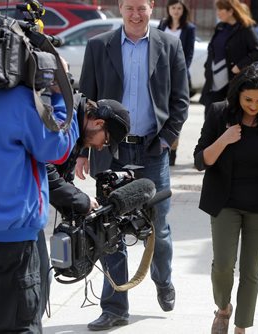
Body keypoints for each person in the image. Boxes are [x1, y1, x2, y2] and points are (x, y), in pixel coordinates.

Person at [75, 0, 189, 330]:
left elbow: (180, 100)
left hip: (152, 152)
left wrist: (166, 140)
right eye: (129, 8)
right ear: (121, 9)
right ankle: (114, 308)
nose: (136, 15)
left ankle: (163, 279)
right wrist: (83, 149)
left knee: (159, 229)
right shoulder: (99, 46)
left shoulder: (169, 45)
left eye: (141, 7)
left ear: (152, 7)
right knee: (109, 229)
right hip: (111, 152)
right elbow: (86, 102)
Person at [0, 7, 80, 333]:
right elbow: (58, 149)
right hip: (10, 232)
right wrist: (62, 95)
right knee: (18, 323)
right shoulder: (20, 104)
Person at [194, 62, 258, 334]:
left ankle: (241, 327)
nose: (254, 105)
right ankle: (223, 308)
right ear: (238, 94)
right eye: (248, 99)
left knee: (251, 270)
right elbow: (201, 160)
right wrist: (225, 139)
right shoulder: (219, 113)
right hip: (225, 202)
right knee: (223, 265)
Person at [199, 0, 258, 118]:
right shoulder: (220, 27)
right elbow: (213, 49)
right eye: (217, 9)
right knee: (210, 119)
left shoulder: (245, 28)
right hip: (213, 81)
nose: (217, 13)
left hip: (232, 82)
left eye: (220, 10)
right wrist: (207, 67)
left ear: (230, 11)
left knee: (229, 119)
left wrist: (239, 66)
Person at [157, 0, 196, 166]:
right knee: (160, 112)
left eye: (179, 8)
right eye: (173, 8)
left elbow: (188, 54)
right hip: (160, 75)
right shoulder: (162, 24)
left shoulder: (189, 28)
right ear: (168, 9)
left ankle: (172, 150)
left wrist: (180, 74)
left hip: (177, 75)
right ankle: (160, 147)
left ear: (183, 10)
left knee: (175, 113)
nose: (176, 11)